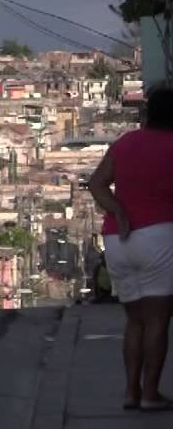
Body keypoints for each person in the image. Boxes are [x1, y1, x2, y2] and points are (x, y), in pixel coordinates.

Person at [88, 85, 173, 412]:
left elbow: (97, 183)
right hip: (160, 237)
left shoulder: (125, 143)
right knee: (157, 321)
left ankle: (131, 392)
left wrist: (118, 210)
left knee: (134, 321)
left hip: (118, 239)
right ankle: (150, 393)